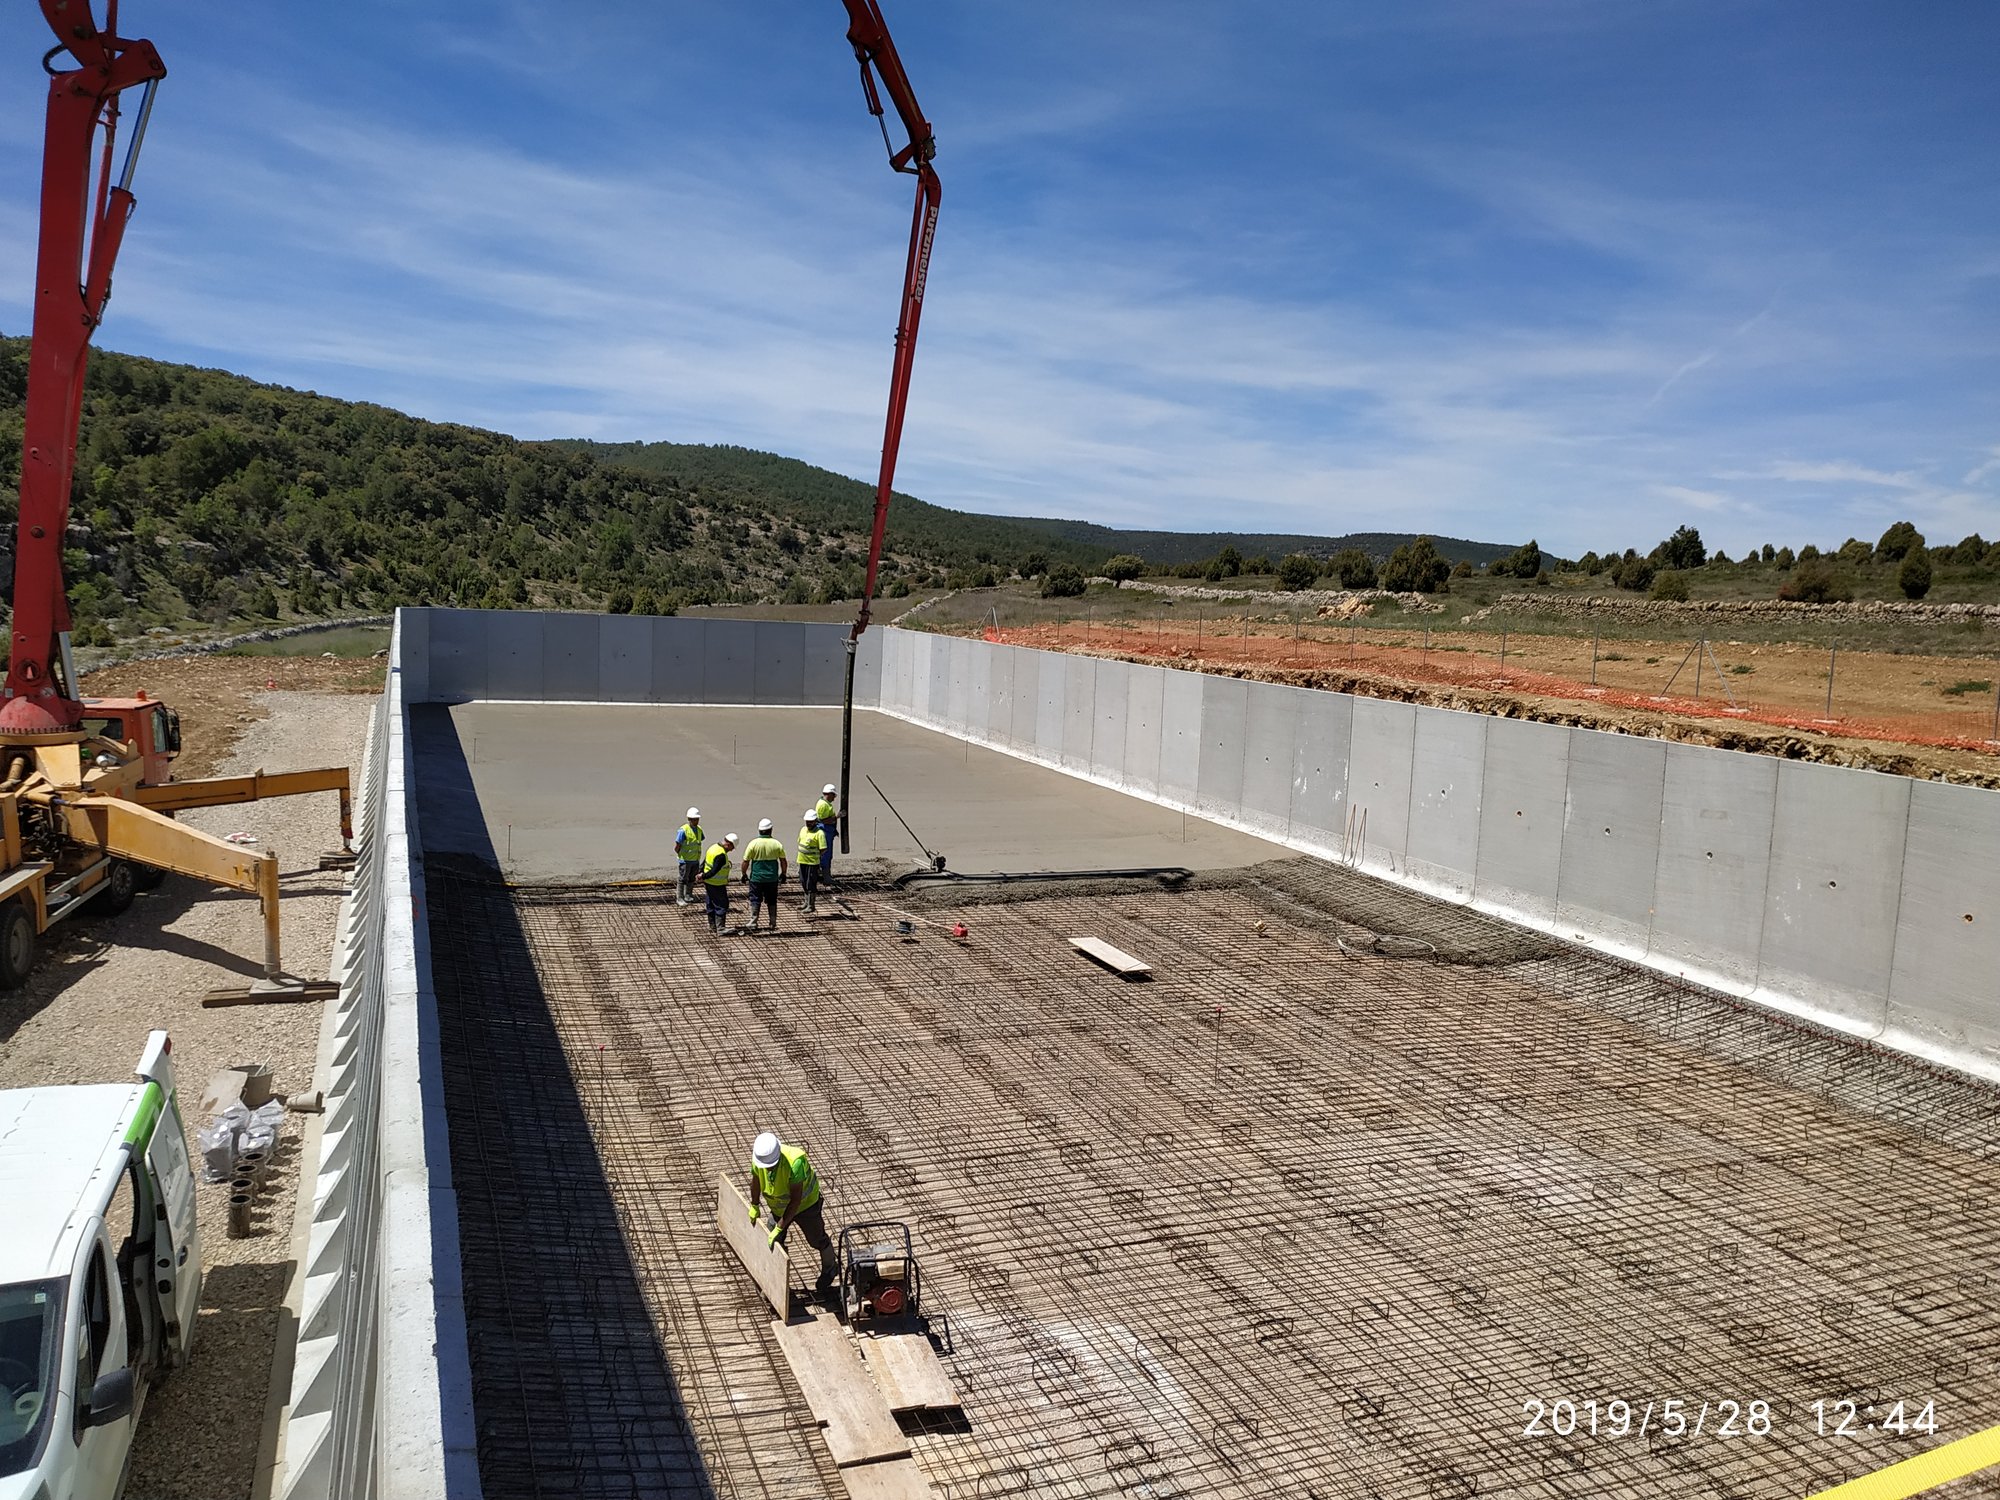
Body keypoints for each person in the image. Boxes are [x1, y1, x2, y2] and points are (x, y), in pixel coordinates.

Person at [748, 1130, 838, 1302]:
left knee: (816, 1239)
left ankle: (830, 1268)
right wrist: (754, 1204)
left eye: (770, 1166)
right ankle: (776, 1282)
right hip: (779, 1208)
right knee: (774, 1242)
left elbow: (795, 1201)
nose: (767, 1169)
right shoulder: (759, 1159)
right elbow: (756, 1181)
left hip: (806, 1206)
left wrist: (780, 1226)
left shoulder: (794, 1161)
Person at [741, 819, 788, 932]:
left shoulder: (753, 844)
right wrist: (783, 874)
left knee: (755, 899)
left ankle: (753, 922)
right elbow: (783, 861)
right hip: (772, 878)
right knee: (772, 900)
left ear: (759, 830)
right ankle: (773, 923)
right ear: (770, 830)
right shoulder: (776, 844)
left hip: (756, 879)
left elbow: (745, 862)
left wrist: (744, 874)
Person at [702, 833, 737, 934]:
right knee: (721, 904)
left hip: (709, 883)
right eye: (732, 847)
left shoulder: (713, 847)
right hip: (717, 884)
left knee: (710, 903)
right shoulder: (721, 855)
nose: (732, 850)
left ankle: (713, 926)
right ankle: (721, 928)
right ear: (729, 844)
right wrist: (703, 876)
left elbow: (704, 863)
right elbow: (714, 871)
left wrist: (701, 874)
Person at [796, 809, 827, 913]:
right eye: (807, 821)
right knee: (803, 881)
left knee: (811, 883)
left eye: (810, 821)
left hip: (812, 863)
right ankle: (806, 902)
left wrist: (816, 856)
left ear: (815, 821)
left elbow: (823, 848)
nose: (808, 823)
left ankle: (811, 905)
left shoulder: (819, 833)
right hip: (802, 861)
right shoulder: (803, 830)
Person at [674, 807, 704, 906]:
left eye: (697, 819)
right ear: (689, 819)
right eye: (694, 819)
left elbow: (699, 840)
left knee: (691, 878)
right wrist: (680, 855)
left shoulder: (699, 830)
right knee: (682, 879)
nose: (696, 821)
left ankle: (688, 895)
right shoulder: (683, 830)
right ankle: (680, 898)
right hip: (685, 860)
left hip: (695, 859)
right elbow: (677, 845)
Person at [815, 783, 840, 886]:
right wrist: (837, 817)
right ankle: (826, 878)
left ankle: (820, 875)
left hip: (828, 831)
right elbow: (823, 820)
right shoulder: (823, 805)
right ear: (829, 794)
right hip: (825, 832)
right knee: (826, 855)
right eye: (833, 795)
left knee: (824, 855)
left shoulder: (825, 803)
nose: (834, 798)